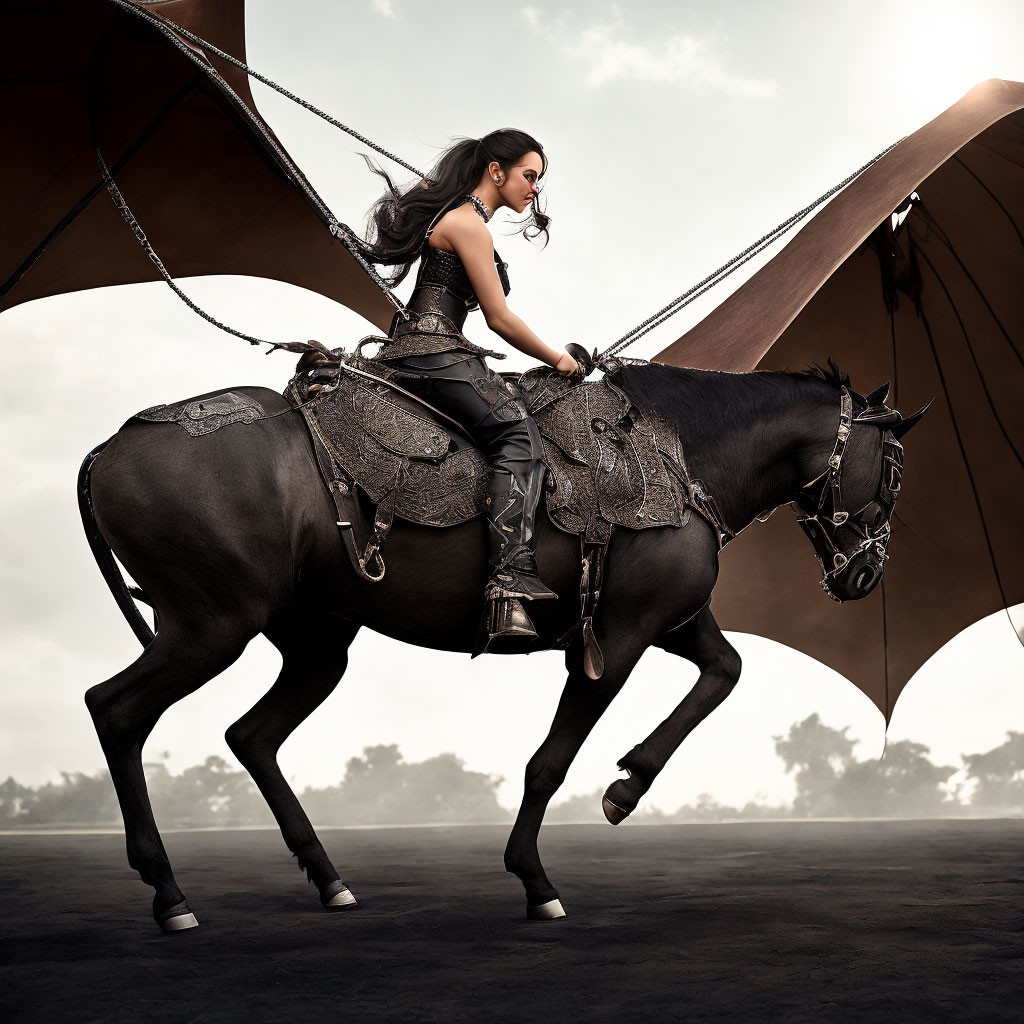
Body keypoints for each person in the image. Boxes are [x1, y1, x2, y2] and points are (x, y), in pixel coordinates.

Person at [355, 129, 580, 654]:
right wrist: (560, 359)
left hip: (424, 349)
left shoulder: (462, 220)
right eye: (529, 175)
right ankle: (508, 583)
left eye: (539, 180)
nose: (534, 190)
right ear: (497, 171)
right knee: (519, 435)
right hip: (432, 352)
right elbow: (499, 319)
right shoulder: (468, 225)